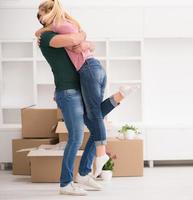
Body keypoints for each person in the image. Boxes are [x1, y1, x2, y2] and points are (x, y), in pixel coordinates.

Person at [36, 1, 136, 196]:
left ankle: (82, 174)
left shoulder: (57, 33)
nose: (46, 16)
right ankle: (65, 183)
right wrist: (83, 37)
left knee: (94, 124)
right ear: (45, 19)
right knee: (76, 137)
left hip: (77, 87)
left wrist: (86, 42)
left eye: (46, 12)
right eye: (43, 15)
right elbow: (76, 37)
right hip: (68, 92)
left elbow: (85, 44)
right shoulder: (48, 37)